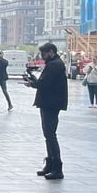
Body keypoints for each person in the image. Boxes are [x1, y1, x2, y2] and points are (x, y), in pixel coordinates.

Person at [25, 42, 67, 180]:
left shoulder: (54, 64)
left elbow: (44, 83)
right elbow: (45, 81)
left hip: (50, 103)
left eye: (44, 54)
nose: (42, 57)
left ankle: (56, 166)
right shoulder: (55, 63)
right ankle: (50, 163)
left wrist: (32, 83)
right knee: (48, 135)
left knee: (50, 135)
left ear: (51, 52)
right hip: (50, 103)